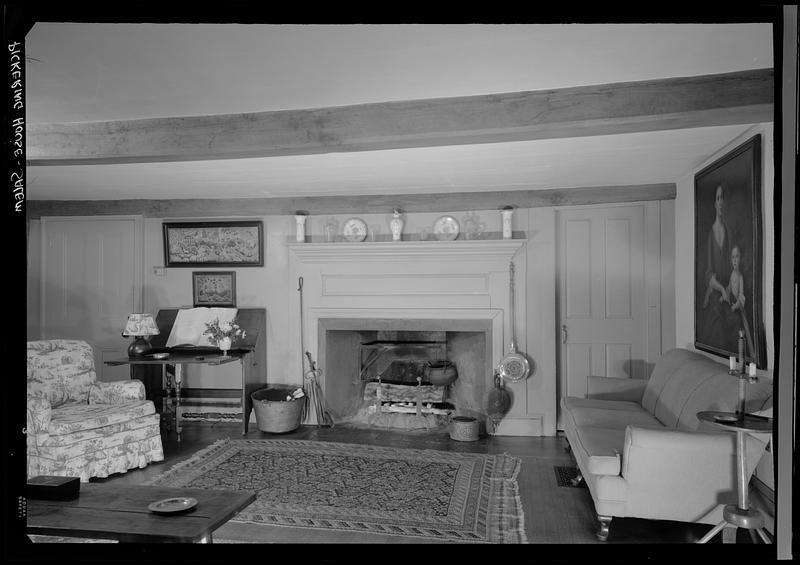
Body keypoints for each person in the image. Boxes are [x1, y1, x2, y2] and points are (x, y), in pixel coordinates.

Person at [699, 184, 741, 354]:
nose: (721, 201)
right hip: (716, 294)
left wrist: (729, 288)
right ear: (714, 204)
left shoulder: (731, 232)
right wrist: (722, 289)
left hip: (729, 295)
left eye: (723, 197)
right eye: (718, 198)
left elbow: (735, 268)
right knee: (715, 328)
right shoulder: (710, 234)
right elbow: (708, 274)